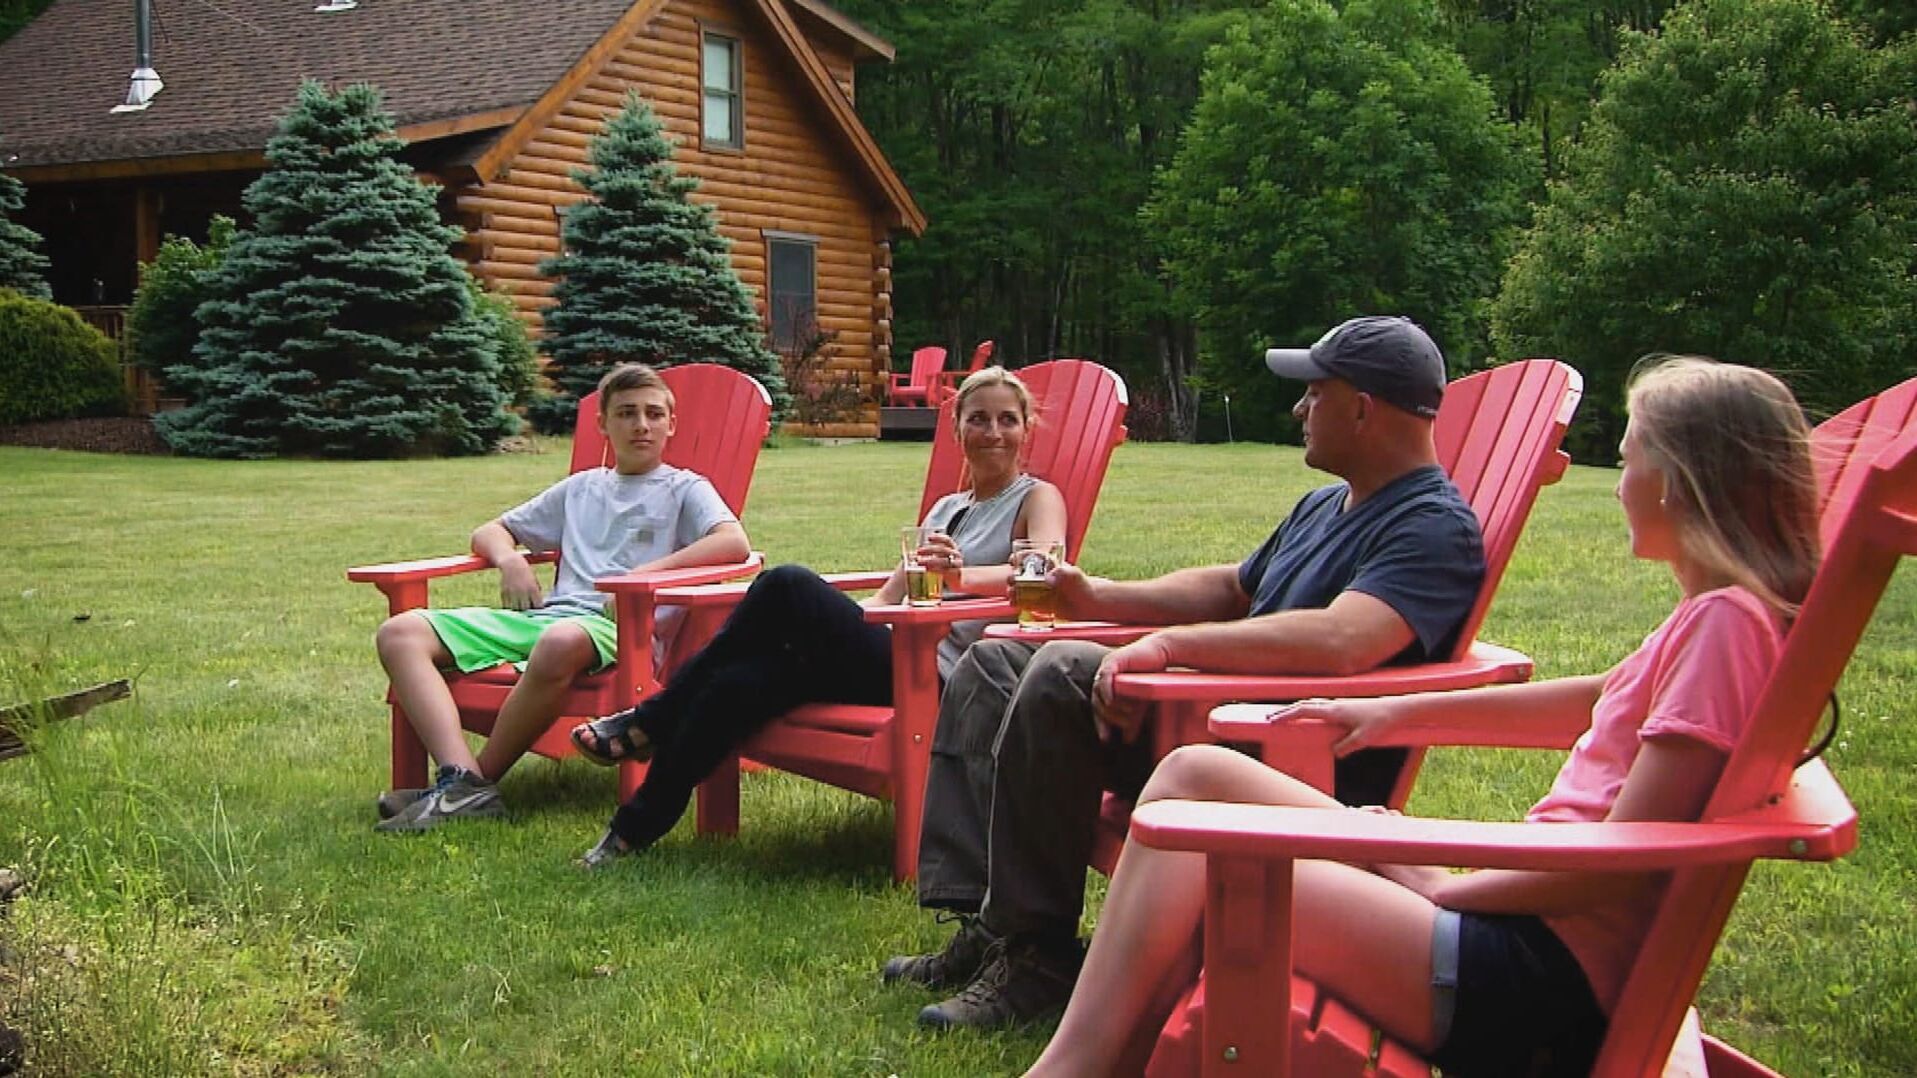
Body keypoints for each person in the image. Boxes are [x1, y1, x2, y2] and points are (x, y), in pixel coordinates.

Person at [1024, 356, 1821, 1076]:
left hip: (1520, 975)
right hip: (1520, 931)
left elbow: (1615, 861)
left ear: (1678, 480)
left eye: (1628, 460)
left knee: (1201, 849)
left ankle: (1071, 1069)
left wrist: (1449, 888)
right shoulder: (1715, 618)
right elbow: (1589, 701)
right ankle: (1104, 1058)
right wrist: (1395, 715)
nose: (1616, 483)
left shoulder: (1725, 627)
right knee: (1195, 774)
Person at [885, 315, 1488, 1030]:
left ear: (1363, 406)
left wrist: (1168, 649)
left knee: (1060, 670)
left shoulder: (1430, 526)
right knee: (993, 658)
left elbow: (1343, 640)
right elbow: (1233, 587)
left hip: (1280, 758)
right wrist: (1099, 595)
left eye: (1313, 393)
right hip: (1205, 719)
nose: (1298, 409)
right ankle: (986, 927)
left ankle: (1038, 958)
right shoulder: (1328, 504)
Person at [571, 366, 1069, 866]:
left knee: (787, 584)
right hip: (892, 656)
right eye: (979, 419)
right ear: (958, 428)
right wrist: (829, 629)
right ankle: (629, 833)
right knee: (738, 684)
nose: (994, 432)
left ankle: (650, 720)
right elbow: (886, 601)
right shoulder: (945, 510)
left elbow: (1041, 569)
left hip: (944, 676)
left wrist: (962, 579)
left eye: (1008, 420)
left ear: (1027, 428)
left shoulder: (1036, 497)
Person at [373, 363, 751, 833]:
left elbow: (732, 542)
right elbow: (490, 531)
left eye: (654, 414)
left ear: (671, 425)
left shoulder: (686, 489)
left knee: (557, 640)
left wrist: (644, 575)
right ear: (603, 424)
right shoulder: (581, 489)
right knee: (400, 633)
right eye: (627, 413)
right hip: (552, 620)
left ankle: (472, 786)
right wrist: (510, 560)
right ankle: (462, 779)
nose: (641, 425)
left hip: (622, 630)